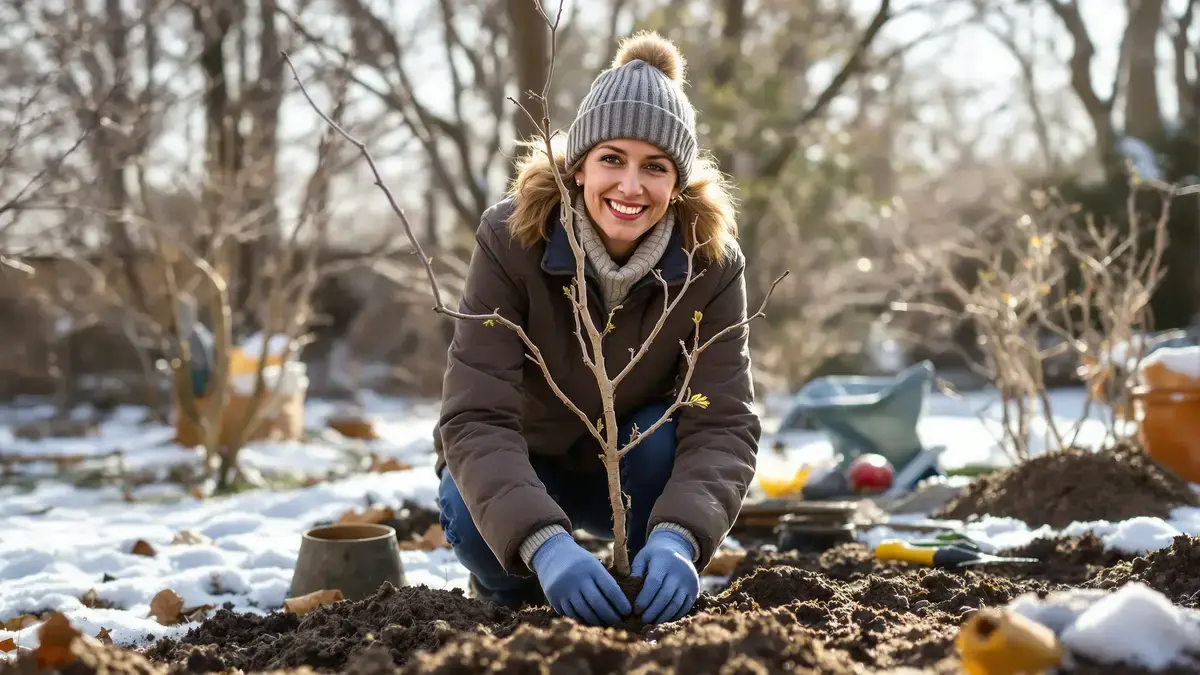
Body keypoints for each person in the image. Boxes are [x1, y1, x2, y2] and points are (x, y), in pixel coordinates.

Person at [433, 30, 761, 626]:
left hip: (641, 480)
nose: (631, 187)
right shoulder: (512, 242)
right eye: (612, 158)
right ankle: (511, 607)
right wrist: (546, 545)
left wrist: (680, 538)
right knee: (467, 505)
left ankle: (641, 585)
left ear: (678, 183)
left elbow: (723, 421)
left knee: (658, 435)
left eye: (655, 167)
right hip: (527, 467)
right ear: (580, 166)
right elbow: (475, 416)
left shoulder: (710, 264)